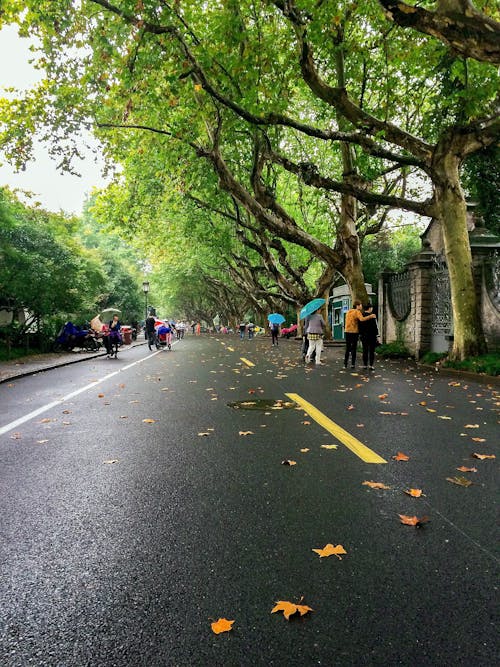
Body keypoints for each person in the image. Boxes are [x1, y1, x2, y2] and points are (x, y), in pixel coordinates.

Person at [344, 300, 376, 369]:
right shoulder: (357, 312)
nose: (361, 306)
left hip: (347, 331)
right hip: (354, 332)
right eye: (360, 305)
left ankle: (345, 363)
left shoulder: (348, 311)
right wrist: (371, 316)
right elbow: (362, 319)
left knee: (348, 348)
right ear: (357, 305)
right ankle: (352, 364)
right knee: (354, 348)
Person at [359, 304, 379, 370]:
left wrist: (360, 334)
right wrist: (377, 335)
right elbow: (375, 326)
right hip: (372, 336)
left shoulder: (361, 315)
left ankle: (365, 365)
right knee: (371, 351)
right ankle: (371, 365)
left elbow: (360, 326)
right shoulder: (373, 316)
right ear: (370, 308)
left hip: (364, 336)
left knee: (365, 350)